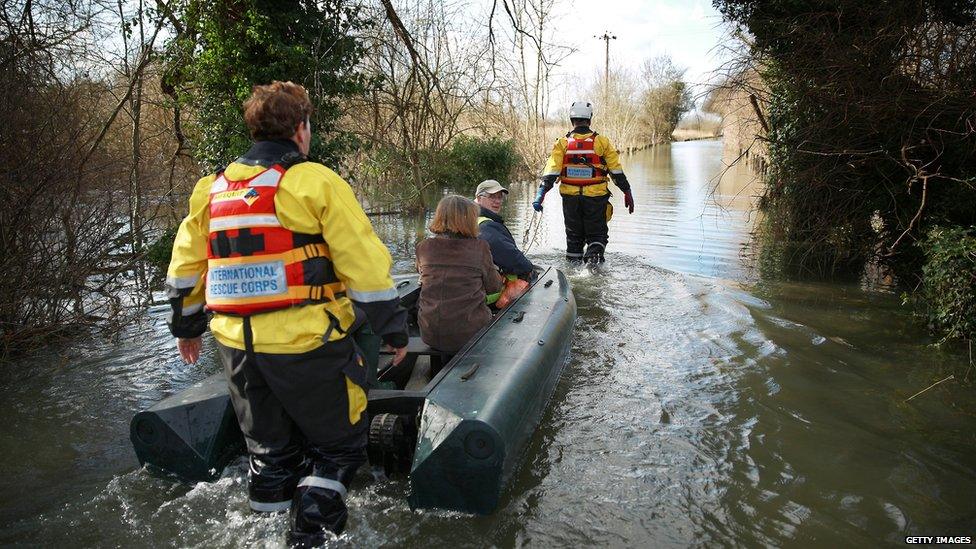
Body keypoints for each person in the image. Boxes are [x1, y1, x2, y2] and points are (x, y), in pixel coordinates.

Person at [164, 81, 408, 546]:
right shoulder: (314, 181)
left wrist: (186, 327)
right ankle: (312, 536)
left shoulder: (211, 189)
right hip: (305, 344)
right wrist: (394, 330)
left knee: (269, 454)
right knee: (338, 450)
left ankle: (262, 533)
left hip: (236, 347)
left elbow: (184, 268)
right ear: (301, 129)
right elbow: (366, 268)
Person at [532, 99, 635, 263]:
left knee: (574, 240)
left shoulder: (562, 143)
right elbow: (616, 171)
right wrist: (627, 192)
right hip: (595, 199)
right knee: (597, 236)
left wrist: (541, 193)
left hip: (570, 200)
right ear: (590, 119)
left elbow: (551, 171)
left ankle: (573, 274)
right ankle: (592, 266)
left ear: (572, 120)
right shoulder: (602, 142)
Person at [416, 195, 503, 356]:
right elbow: (494, 288)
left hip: (429, 334)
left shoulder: (424, 247)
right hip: (468, 335)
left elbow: (422, 275)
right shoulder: (480, 247)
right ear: (470, 219)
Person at [473, 179, 533, 306]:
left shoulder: (466, 218)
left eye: (500, 197)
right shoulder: (487, 226)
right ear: (478, 198)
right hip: (486, 295)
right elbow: (517, 262)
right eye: (492, 197)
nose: (497, 201)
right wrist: (529, 269)